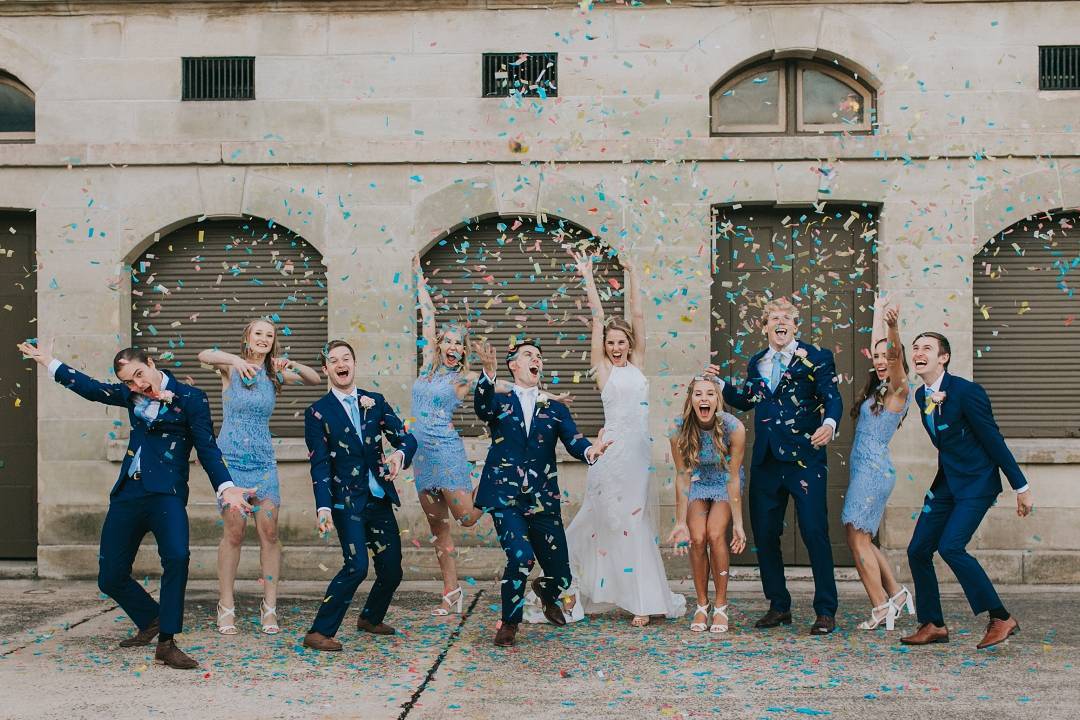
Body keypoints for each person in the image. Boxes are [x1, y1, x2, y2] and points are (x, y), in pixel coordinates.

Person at [17, 340, 250, 669]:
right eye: (129, 381)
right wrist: (50, 362)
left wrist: (226, 487)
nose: (137, 385)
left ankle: (167, 641)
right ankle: (150, 617)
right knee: (109, 576)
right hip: (129, 493)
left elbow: (207, 448)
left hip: (166, 494)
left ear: (152, 363)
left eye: (139, 375)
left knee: (177, 557)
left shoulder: (191, 398)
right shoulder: (131, 395)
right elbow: (91, 389)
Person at [566, 249, 685, 627]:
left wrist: (632, 273)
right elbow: (599, 318)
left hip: (637, 454)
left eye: (621, 342)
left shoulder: (639, 365)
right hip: (611, 454)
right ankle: (584, 589)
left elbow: (636, 315)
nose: (616, 347)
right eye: (611, 343)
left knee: (635, 523)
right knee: (606, 519)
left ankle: (644, 599)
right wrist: (588, 275)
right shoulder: (603, 371)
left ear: (630, 344)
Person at [472, 338, 612, 647]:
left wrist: (591, 450)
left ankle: (546, 592)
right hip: (506, 497)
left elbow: (574, 440)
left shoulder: (555, 407)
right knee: (520, 557)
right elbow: (482, 407)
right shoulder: (500, 400)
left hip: (542, 499)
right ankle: (509, 622)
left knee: (562, 576)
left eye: (539, 355)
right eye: (528, 355)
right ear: (514, 365)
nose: (536, 359)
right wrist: (487, 372)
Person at [719, 297, 844, 635]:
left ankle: (825, 610)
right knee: (766, 534)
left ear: (795, 325)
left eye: (786, 317)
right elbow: (748, 400)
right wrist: (721, 387)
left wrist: (830, 424)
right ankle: (778, 605)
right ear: (765, 326)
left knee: (815, 532)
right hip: (767, 462)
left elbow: (832, 396)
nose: (780, 321)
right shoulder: (757, 362)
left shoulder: (817, 358)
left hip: (806, 459)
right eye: (774, 317)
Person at [902, 331, 1034, 649]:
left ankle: (1000, 617)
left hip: (977, 482)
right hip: (947, 482)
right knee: (918, 549)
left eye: (927, 348)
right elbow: (945, 442)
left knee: (951, 547)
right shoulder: (922, 396)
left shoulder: (967, 392)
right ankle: (933, 624)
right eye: (916, 348)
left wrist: (1022, 486)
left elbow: (992, 440)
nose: (919, 352)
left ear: (943, 357)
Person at [197, 318, 322, 635]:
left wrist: (290, 361)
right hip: (232, 463)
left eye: (270, 335)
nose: (264, 338)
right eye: (259, 334)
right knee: (234, 534)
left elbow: (313, 378)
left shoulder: (274, 373)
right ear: (247, 339)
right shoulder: (231, 370)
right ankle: (226, 605)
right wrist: (235, 360)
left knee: (269, 534)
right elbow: (203, 355)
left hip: (264, 463)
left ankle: (270, 608)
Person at [301, 340, 418, 652]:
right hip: (346, 501)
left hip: (378, 496)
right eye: (334, 360)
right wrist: (323, 507)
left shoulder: (374, 401)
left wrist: (398, 457)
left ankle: (370, 617)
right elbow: (320, 463)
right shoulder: (317, 413)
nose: (341, 364)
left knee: (392, 569)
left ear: (353, 363)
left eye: (346, 358)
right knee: (356, 566)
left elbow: (405, 438)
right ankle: (318, 631)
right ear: (326, 369)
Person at [841, 301, 913, 631]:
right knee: (864, 539)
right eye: (878, 356)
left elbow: (897, 357)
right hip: (866, 470)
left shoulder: (900, 389)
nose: (883, 361)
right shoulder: (879, 390)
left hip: (873, 471)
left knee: (857, 541)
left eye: (888, 356)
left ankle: (881, 607)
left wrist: (892, 327)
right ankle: (896, 595)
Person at [667, 376, 747, 633]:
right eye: (698, 394)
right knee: (697, 538)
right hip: (698, 483)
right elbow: (682, 477)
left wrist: (739, 523)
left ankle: (721, 606)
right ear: (690, 400)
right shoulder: (678, 430)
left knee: (714, 534)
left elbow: (733, 476)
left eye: (710, 394)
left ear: (717, 400)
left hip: (724, 482)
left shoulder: (734, 428)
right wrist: (680, 523)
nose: (704, 399)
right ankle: (702, 605)